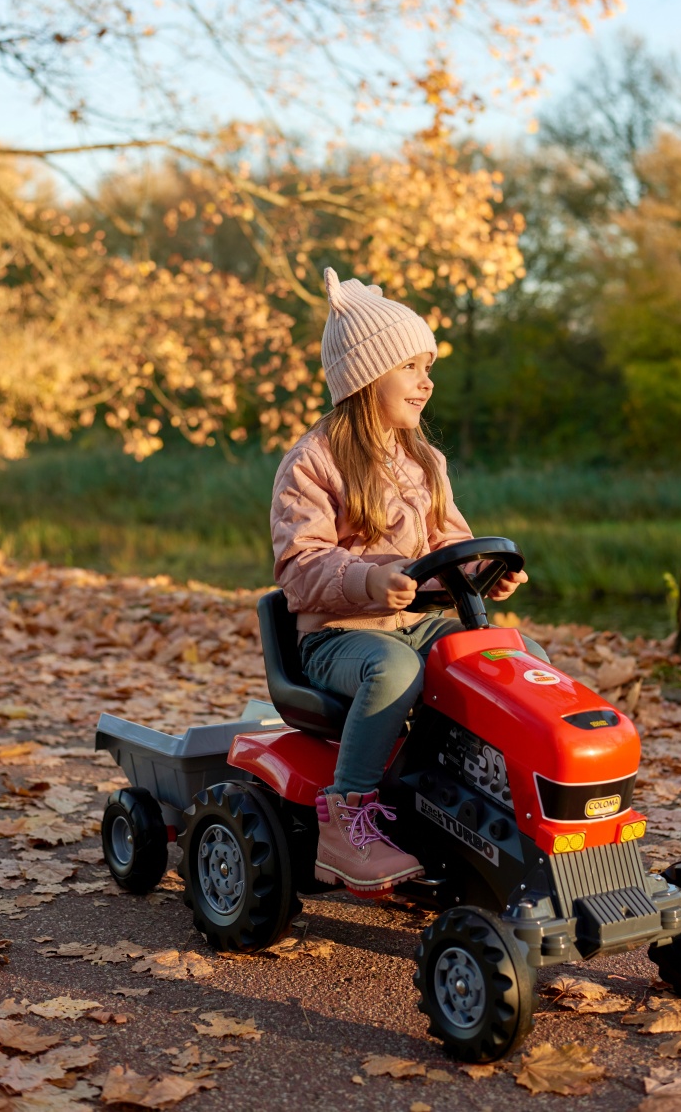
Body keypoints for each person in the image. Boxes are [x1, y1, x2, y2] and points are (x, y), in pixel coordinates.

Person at [270, 266, 550, 897]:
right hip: (339, 639)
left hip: (417, 624)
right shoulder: (312, 463)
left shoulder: (424, 459)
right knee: (394, 669)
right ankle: (348, 818)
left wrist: (482, 573)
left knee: (518, 658)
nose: (427, 382)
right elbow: (299, 568)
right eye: (412, 367)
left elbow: (449, 541)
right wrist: (369, 582)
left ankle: (505, 802)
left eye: (429, 367)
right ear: (369, 377)